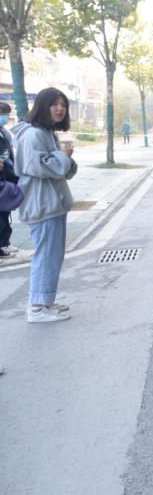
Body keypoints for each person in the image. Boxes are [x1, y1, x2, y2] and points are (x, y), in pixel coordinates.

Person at [13, 88, 77, 323]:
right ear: (42, 106)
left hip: (51, 203)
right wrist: (64, 157)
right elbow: (40, 166)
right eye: (55, 104)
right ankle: (38, 308)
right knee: (46, 256)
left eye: (63, 105)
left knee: (52, 256)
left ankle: (45, 301)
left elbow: (58, 166)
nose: (60, 109)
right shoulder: (33, 134)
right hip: (42, 205)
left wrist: (65, 159)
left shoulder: (46, 132)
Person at [0, 102, 18, 256]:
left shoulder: (4, 132)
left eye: (6, 114)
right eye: (2, 114)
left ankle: (5, 243)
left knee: (5, 213)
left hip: (7, 177)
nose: (5, 117)